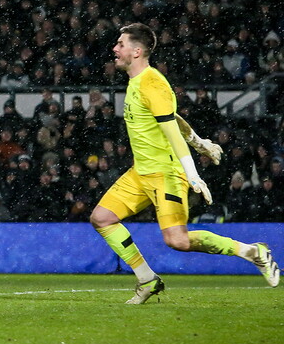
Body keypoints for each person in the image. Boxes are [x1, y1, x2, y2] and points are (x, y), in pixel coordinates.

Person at [90, 24, 279, 304]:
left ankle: (253, 252)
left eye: (120, 44)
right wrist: (200, 142)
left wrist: (192, 172)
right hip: (141, 172)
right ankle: (147, 279)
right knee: (101, 218)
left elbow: (170, 131)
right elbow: (173, 118)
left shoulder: (152, 82)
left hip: (166, 173)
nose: (115, 49)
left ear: (137, 51)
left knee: (177, 240)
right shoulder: (136, 81)